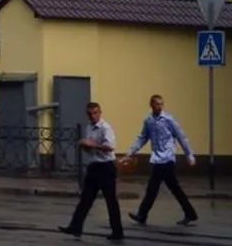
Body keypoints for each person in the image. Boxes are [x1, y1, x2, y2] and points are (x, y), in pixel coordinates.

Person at [123, 93, 198, 226]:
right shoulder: (148, 121)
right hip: (157, 159)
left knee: (153, 189)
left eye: (161, 104)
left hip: (167, 159)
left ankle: (142, 215)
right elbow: (142, 138)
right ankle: (190, 213)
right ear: (151, 105)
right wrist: (131, 152)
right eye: (157, 104)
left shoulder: (168, 119)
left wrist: (189, 155)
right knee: (172, 188)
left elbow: (181, 136)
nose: (160, 107)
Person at [59, 100, 123, 240]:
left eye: (95, 113)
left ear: (100, 113)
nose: (93, 116)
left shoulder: (106, 128)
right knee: (85, 199)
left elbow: (110, 147)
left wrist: (92, 144)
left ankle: (117, 232)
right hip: (94, 166)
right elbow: (90, 148)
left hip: (106, 167)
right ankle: (75, 227)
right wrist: (84, 146)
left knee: (111, 201)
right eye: (90, 114)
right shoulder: (88, 127)